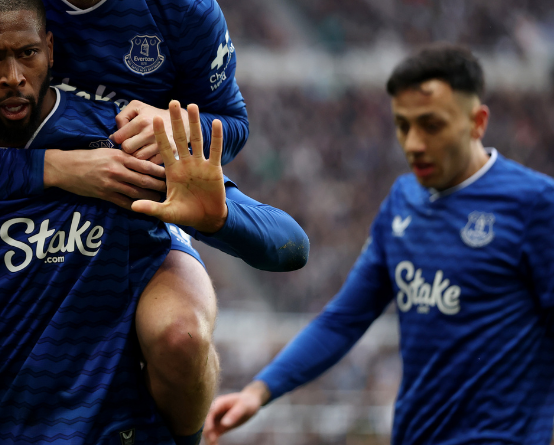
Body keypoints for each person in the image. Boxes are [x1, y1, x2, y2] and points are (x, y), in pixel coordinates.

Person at [0, 0, 309, 445]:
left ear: (50, 50)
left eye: (26, 53)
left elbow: (291, 245)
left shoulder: (118, 135)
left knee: (181, 336)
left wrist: (222, 219)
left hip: (106, 409)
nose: (13, 76)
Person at [203, 45, 554, 445]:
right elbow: (344, 320)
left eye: (431, 125)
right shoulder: (403, 202)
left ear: (477, 122)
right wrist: (259, 391)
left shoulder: (535, 205)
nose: (414, 143)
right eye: (403, 126)